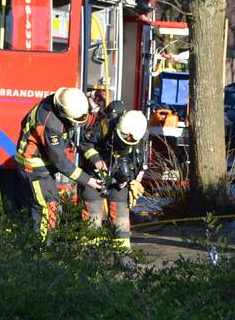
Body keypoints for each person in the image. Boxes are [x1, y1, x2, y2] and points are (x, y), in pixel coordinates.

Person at [15, 87, 103, 240]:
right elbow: (60, 161)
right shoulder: (51, 124)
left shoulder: (60, 101)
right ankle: (41, 254)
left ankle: (33, 248)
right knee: (49, 209)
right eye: (73, 121)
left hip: (41, 164)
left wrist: (65, 143)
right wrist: (88, 180)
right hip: (35, 168)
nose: (75, 125)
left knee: (45, 209)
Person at [80, 104, 149, 248]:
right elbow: (86, 145)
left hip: (119, 180)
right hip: (94, 176)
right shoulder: (105, 126)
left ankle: (122, 253)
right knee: (94, 213)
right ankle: (89, 254)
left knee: (121, 216)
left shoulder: (140, 136)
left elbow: (139, 163)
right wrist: (96, 160)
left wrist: (129, 179)